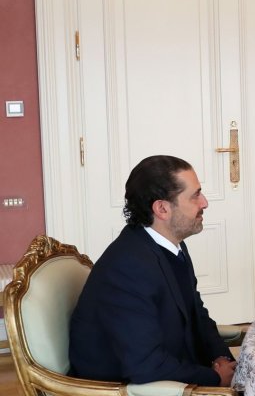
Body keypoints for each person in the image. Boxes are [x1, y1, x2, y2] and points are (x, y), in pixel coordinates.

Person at [69, 155, 237, 387]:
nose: (205, 202)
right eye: (195, 195)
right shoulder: (127, 267)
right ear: (162, 209)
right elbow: (146, 365)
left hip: (171, 373)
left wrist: (221, 357)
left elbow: (196, 312)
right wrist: (215, 378)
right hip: (126, 388)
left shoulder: (171, 245)